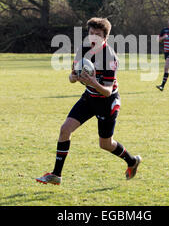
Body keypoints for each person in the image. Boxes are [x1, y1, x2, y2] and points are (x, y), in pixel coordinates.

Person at [36, 18, 141, 185]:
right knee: (65, 130)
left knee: (105, 144)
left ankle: (132, 161)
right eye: (91, 33)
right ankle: (56, 175)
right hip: (89, 97)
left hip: (107, 103)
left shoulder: (110, 57)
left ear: (105, 37)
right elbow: (71, 77)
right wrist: (74, 77)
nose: (93, 37)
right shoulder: (83, 49)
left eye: (97, 35)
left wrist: (93, 82)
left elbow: (107, 91)